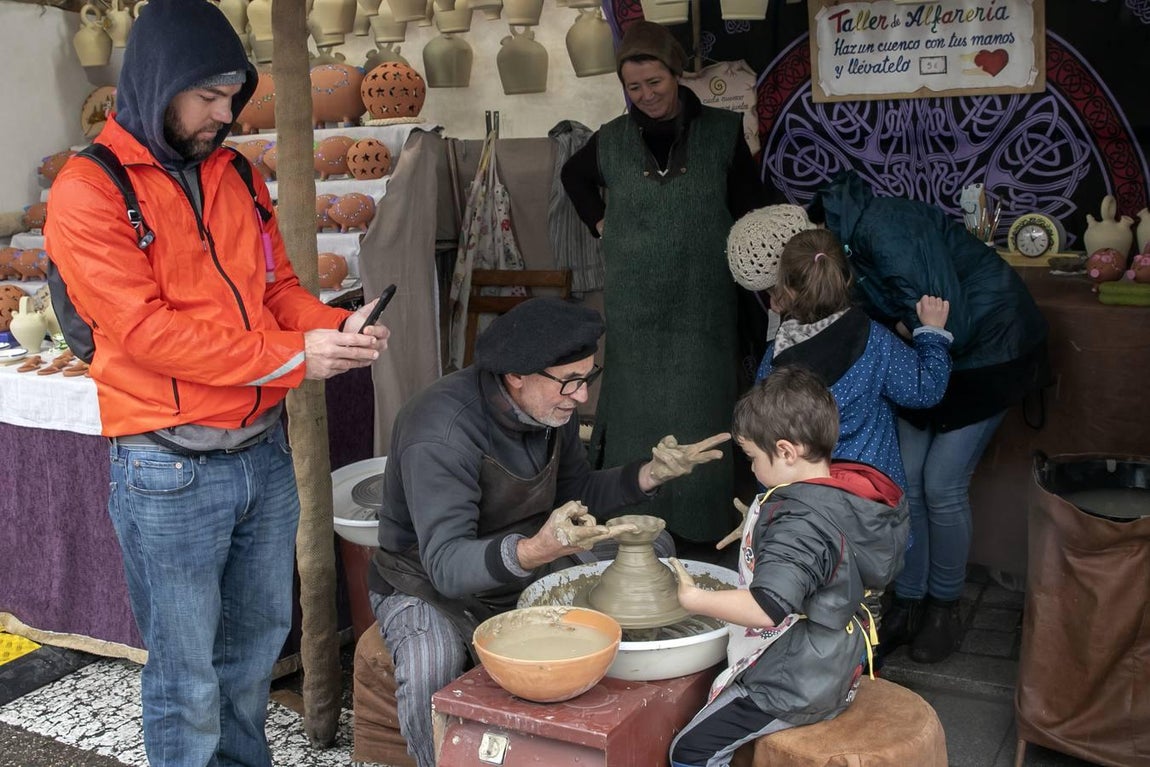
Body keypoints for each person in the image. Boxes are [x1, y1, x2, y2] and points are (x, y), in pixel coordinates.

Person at [43, 2, 389, 764]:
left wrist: (326, 324)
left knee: (250, 661)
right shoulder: (88, 190)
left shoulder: (235, 172)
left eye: (233, 96)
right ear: (159, 82)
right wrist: (296, 357)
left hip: (261, 457)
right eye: (206, 97)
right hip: (168, 466)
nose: (224, 115)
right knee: (187, 678)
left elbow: (278, 286)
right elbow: (147, 333)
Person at [366, 297, 729, 767]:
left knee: (652, 549)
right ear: (516, 374)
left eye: (587, 377)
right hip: (426, 582)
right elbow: (447, 569)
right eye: (571, 382)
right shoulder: (441, 431)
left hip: (526, 556)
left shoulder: (548, 405)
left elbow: (577, 492)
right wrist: (537, 550)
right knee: (429, 660)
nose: (581, 396)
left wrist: (649, 475)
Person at [809, 170, 1050, 663]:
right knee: (907, 482)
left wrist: (902, 323)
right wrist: (903, 324)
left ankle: (944, 606)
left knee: (942, 484)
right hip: (928, 360)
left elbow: (948, 322)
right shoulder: (847, 248)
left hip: (989, 352)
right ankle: (910, 601)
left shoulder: (885, 228)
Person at [560, 20, 769, 545]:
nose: (646, 95)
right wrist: (601, 223)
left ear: (677, 75)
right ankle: (632, 523)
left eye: (654, 82)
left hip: (704, 304)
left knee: (702, 407)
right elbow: (573, 177)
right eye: (634, 87)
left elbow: (749, 208)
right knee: (634, 411)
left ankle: (700, 528)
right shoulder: (610, 139)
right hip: (635, 308)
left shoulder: (723, 132)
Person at [666, 366, 909, 767]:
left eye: (752, 457)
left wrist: (695, 599)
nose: (752, 469)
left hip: (799, 680)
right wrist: (760, 525)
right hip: (839, 656)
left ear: (785, 451)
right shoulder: (845, 492)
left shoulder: (800, 523)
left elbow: (767, 609)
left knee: (690, 751)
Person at [749, 225, 954, 489]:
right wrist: (932, 333)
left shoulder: (773, 360)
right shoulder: (873, 339)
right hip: (870, 502)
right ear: (846, 278)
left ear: (786, 291)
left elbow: (763, 436)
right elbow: (925, 388)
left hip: (804, 506)